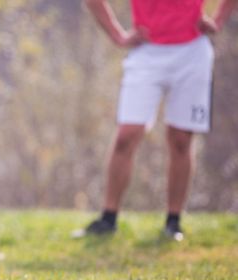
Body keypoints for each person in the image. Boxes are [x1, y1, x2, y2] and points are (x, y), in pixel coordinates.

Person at [78, 0, 237, 240]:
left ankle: (173, 222)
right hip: (146, 53)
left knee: (181, 139)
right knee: (127, 135)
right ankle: (108, 218)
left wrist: (218, 19)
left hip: (192, 54)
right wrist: (117, 35)